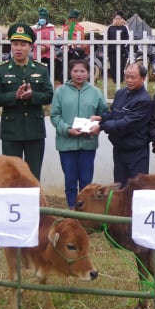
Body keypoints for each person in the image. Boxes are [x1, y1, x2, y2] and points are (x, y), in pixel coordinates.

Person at [0, 23, 54, 180]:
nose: (19, 48)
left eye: (23, 44)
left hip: (35, 130)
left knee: (33, 176)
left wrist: (33, 96)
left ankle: (33, 205)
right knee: (12, 175)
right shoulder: (1, 70)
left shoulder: (41, 69)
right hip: (11, 131)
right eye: (15, 44)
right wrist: (15, 96)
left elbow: (48, 95)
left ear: (30, 47)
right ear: (11, 46)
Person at [51, 57, 108, 209]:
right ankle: (72, 209)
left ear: (88, 73)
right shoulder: (60, 92)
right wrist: (67, 129)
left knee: (86, 181)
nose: (79, 74)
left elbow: (104, 114)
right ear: (70, 72)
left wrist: (98, 123)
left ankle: (85, 211)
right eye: (75, 71)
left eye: (82, 71)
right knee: (70, 181)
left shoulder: (95, 92)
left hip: (87, 144)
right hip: (66, 143)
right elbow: (55, 116)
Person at [95, 63, 151, 184]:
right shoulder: (120, 93)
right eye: (126, 77)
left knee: (135, 188)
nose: (129, 80)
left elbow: (127, 123)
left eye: (133, 77)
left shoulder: (144, 100)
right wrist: (101, 118)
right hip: (119, 148)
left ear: (143, 78)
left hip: (136, 152)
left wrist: (101, 127)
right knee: (119, 187)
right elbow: (114, 114)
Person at [32, 7, 60, 80]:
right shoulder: (34, 28)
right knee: (38, 73)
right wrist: (38, 47)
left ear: (47, 19)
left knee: (49, 73)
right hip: (38, 53)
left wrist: (46, 47)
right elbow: (32, 39)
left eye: (43, 18)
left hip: (49, 54)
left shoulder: (51, 28)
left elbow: (53, 39)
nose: (42, 19)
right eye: (41, 17)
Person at [106, 10, 130, 83]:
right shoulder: (110, 28)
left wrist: (124, 47)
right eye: (116, 19)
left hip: (121, 50)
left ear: (122, 19)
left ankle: (120, 79)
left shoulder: (124, 28)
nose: (117, 20)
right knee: (113, 66)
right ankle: (114, 80)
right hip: (112, 50)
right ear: (113, 20)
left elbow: (127, 39)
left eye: (119, 18)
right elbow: (107, 39)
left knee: (121, 65)